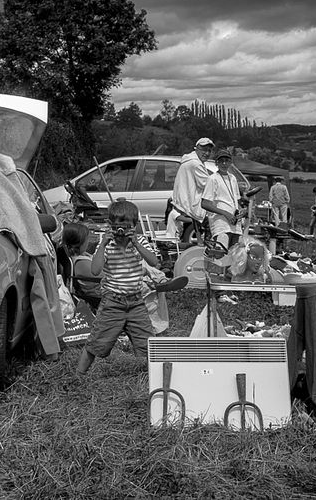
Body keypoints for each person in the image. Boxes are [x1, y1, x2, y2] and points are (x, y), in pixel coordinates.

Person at [77, 200, 159, 375]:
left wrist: (136, 243)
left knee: (147, 341)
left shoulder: (140, 242)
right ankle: (79, 375)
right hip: (112, 302)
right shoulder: (107, 245)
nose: (121, 232)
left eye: (126, 228)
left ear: (135, 226)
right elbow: (95, 269)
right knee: (97, 340)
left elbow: (155, 262)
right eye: (117, 228)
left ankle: (157, 375)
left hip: (136, 302)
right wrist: (103, 244)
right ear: (110, 226)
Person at [165, 137, 215, 239]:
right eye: (204, 150)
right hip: (188, 207)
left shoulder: (190, 161)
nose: (207, 153)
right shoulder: (195, 164)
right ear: (196, 149)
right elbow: (209, 185)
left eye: (209, 150)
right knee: (214, 223)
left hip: (182, 206)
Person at [200, 148, 242, 251]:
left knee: (235, 254)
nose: (224, 163)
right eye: (221, 161)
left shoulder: (233, 178)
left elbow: (236, 200)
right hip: (220, 223)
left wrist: (241, 211)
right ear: (216, 163)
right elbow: (205, 203)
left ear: (230, 162)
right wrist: (225, 213)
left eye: (227, 161)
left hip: (235, 223)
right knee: (221, 251)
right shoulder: (212, 179)